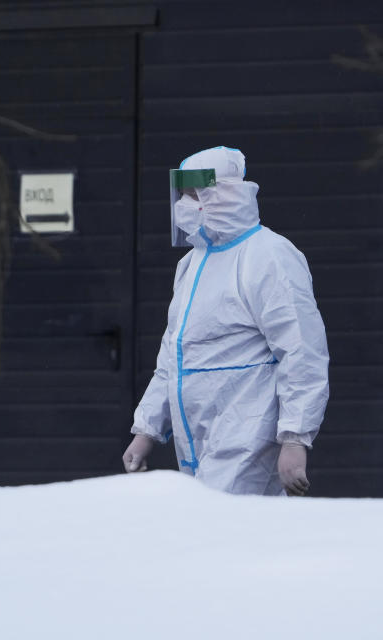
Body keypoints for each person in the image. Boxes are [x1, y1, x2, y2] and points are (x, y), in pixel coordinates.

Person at [122, 146, 329, 496]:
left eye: (194, 194)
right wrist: (146, 430)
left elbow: (301, 350)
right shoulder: (191, 264)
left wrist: (295, 438)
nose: (185, 205)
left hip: (248, 437)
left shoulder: (269, 256)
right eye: (183, 195)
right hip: (196, 440)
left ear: (224, 193)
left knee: (231, 538)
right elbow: (174, 353)